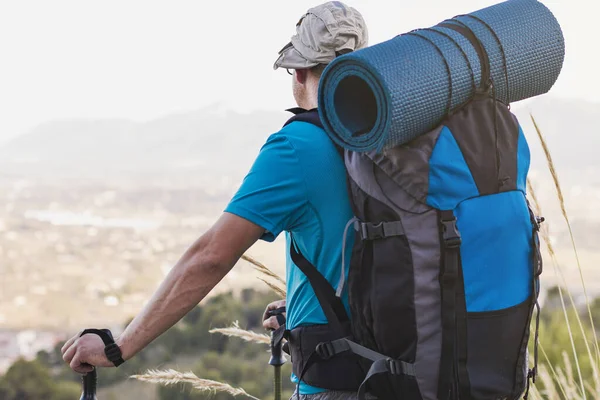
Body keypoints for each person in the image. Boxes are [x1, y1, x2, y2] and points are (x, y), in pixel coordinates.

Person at [61, 2, 368, 399]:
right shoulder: (384, 137)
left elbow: (211, 256)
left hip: (333, 386)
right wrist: (306, 310)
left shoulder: (297, 147)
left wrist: (121, 346)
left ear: (300, 70)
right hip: (396, 370)